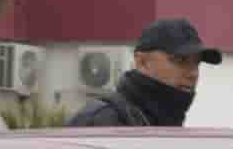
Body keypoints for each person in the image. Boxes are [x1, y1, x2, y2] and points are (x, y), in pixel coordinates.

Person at [64, 19, 218, 128]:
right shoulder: (100, 122)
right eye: (180, 60)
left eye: (196, 63)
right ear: (142, 62)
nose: (193, 74)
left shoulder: (166, 123)